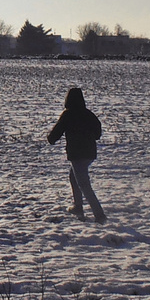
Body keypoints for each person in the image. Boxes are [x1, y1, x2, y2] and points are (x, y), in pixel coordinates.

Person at [47, 86, 105, 223]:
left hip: (77, 154)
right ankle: (78, 207)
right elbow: (98, 134)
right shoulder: (88, 114)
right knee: (74, 177)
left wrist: (51, 139)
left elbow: (57, 131)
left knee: (84, 184)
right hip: (90, 153)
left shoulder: (68, 114)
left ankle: (99, 215)